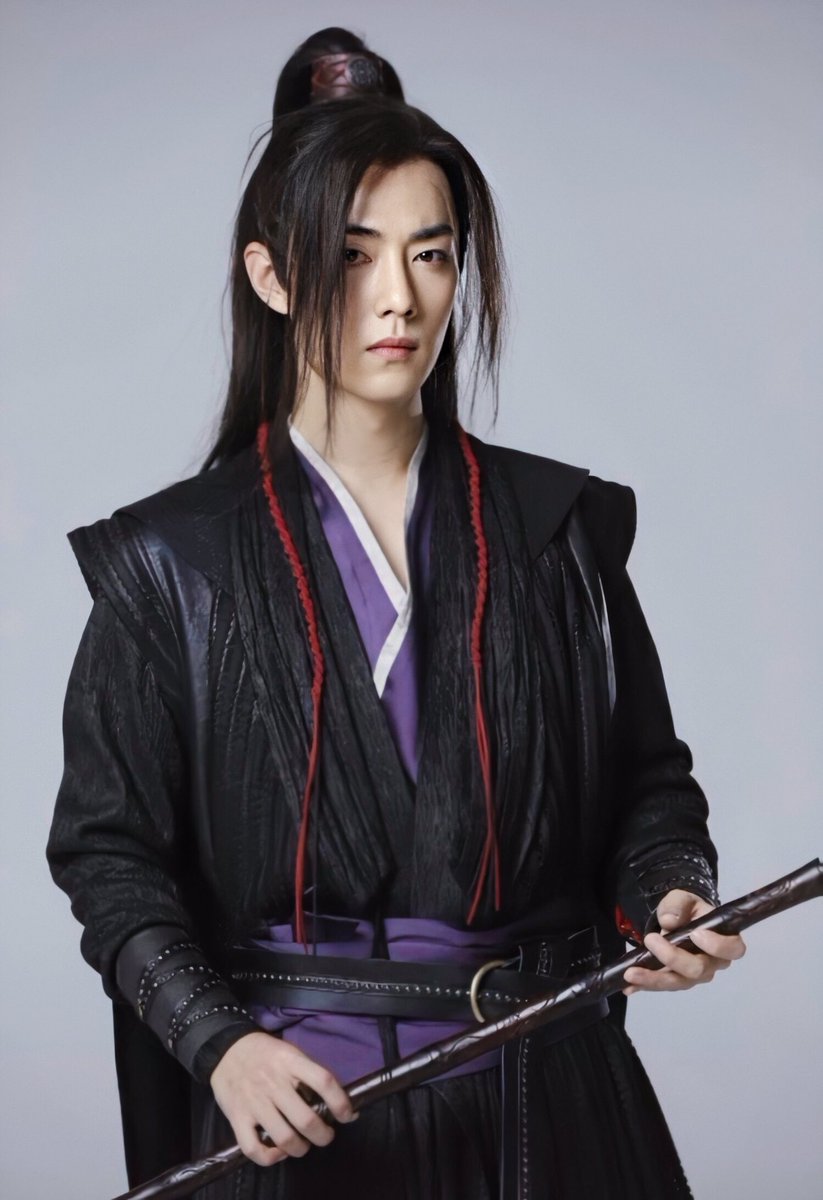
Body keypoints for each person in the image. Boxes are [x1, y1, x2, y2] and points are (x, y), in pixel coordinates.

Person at [47, 26, 746, 1200]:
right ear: (272, 276)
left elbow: (648, 783)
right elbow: (109, 855)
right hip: (296, 1119)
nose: (397, 297)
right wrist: (219, 1045)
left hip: (548, 1105)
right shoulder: (172, 562)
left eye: (432, 255)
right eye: (352, 254)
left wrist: (667, 891)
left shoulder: (559, 529)